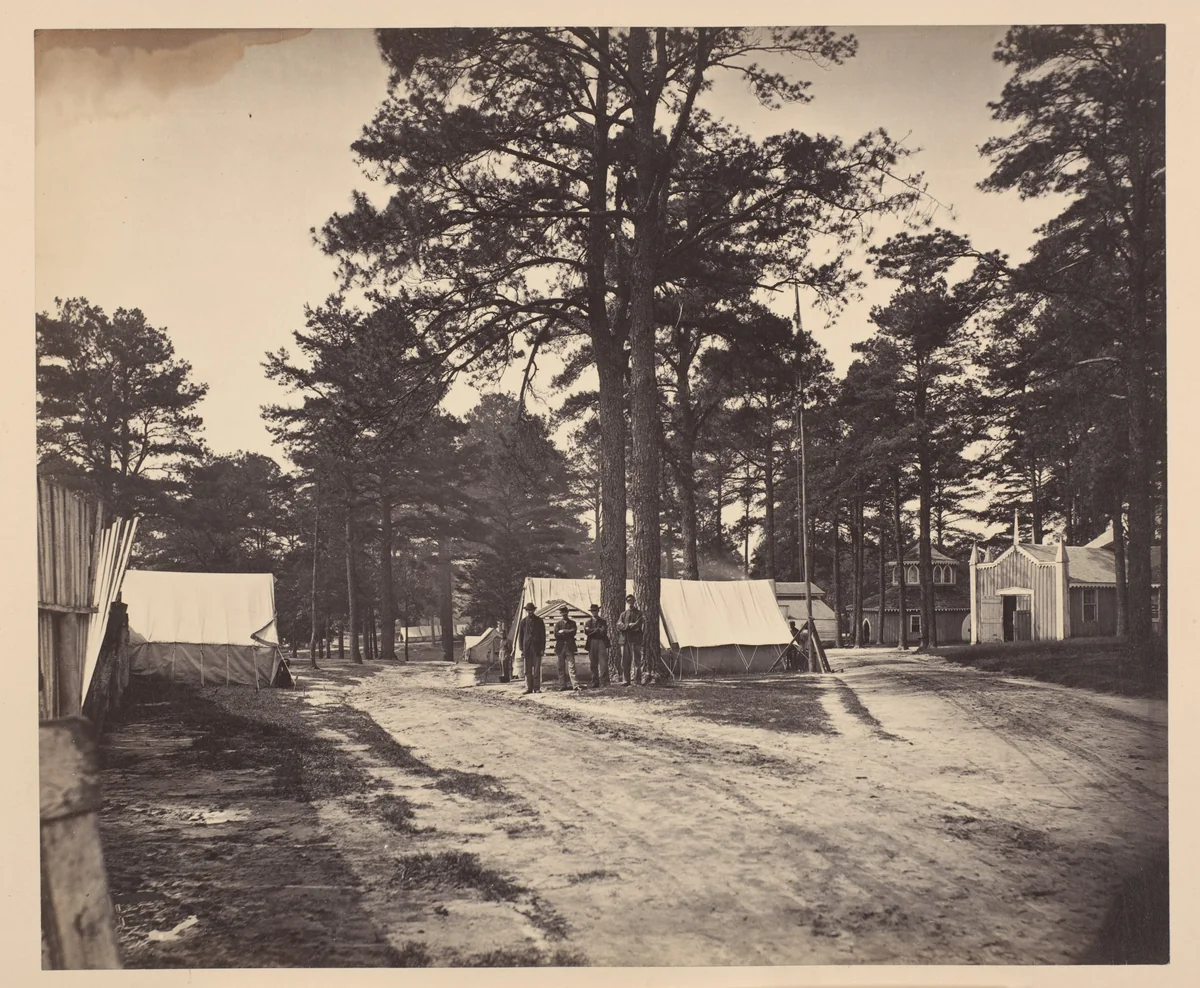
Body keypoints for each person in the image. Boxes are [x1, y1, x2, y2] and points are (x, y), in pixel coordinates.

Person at [617, 593, 645, 685]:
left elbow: (637, 626)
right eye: (628, 601)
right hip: (624, 640)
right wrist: (627, 626)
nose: (630, 603)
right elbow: (618, 626)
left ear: (634, 601)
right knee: (625, 661)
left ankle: (637, 680)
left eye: (632, 601)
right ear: (626, 602)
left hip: (635, 640)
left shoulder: (639, 614)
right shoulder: (623, 614)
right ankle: (626, 680)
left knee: (636, 661)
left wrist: (626, 627)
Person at [517, 602, 545, 694]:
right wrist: (521, 649)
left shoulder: (539, 621)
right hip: (527, 649)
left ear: (534, 610)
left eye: (531, 610)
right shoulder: (523, 622)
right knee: (527, 670)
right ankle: (529, 688)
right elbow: (520, 637)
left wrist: (542, 649)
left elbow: (543, 636)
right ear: (526, 611)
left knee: (536, 669)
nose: (530, 612)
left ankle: (537, 688)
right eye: (528, 610)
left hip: (536, 649)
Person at [553, 604, 582, 691]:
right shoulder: (558, 624)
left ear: (567, 612)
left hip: (569, 647)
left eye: (565, 612)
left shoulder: (572, 623)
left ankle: (575, 685)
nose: (564, 614)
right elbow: (556, 635)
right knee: (560, 667)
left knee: (571, 666)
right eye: (562, 612)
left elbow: (573, 632)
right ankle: (562, 685)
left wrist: (564, 631)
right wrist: (565, 633)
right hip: (560, 648)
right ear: (560, 614)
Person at [584, 602, 610, 688]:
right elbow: (587, 632)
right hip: (592, 643)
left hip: (601, 642)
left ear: (598, 611)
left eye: (595, 610)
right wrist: (596, 630)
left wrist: (592, 631)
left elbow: (602, 632)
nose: (594, 612)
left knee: (603, 663)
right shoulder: (588, 622)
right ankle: (595, 682)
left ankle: (605, 682)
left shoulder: (603, 621)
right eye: (592, 611)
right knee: (593, 663)